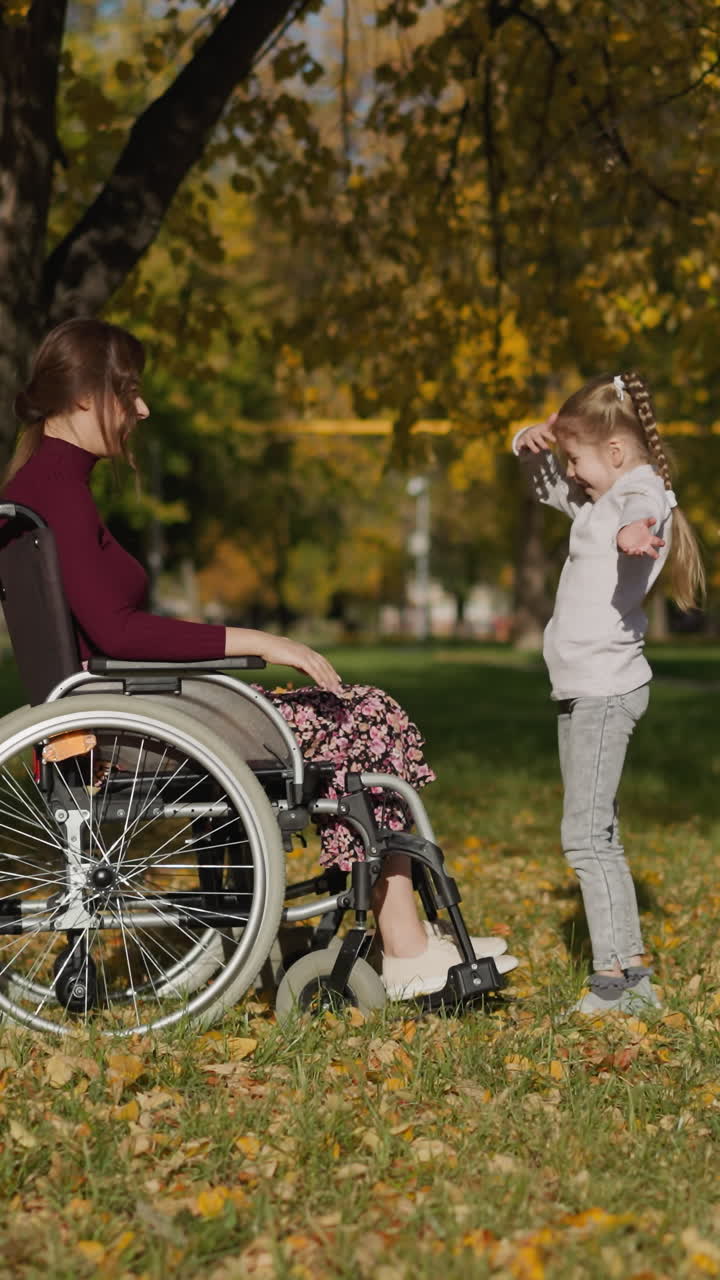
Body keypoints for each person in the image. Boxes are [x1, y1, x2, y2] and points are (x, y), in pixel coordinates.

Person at [4, 317, 517, 1001]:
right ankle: (405, 944)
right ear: (84, 398)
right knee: (365, 719)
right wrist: (263, 642)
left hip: (130, 710)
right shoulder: (57, 493)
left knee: (364, 717)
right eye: (129, 393)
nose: (142, 409)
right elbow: (119, 633)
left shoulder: (40, 487)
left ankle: (407, 938)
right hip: (134, 721)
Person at [513, 371, 704, 1014]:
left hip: (604, 691)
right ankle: (630, 979)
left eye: (578, 459)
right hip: (579, 689)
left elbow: (644, 501)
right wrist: (530, 444)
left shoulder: (635, 493)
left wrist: (636, 528)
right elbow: (548, 492)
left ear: (616, 454)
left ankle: (620, 982)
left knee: (586, 837)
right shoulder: (595, 503)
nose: (572, 472)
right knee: (597, 833)